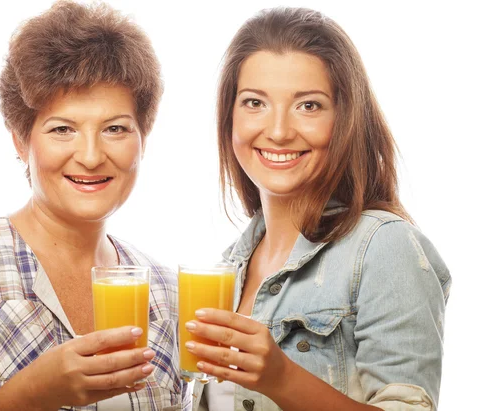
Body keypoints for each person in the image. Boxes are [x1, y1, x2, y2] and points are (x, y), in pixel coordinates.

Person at [0, 1, 186, 410]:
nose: (91, 155)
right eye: (62, 129)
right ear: (20, 140)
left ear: (143, 139)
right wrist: (34, 394)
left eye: (115, 129)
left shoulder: (168, 293)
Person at [184, 7, 451, 411]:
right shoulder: (230, 269)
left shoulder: (383, 246)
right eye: (254, 102)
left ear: (344, 119)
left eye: (308, 106)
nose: (277, 131)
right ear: (229, 118)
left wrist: (283, 379)